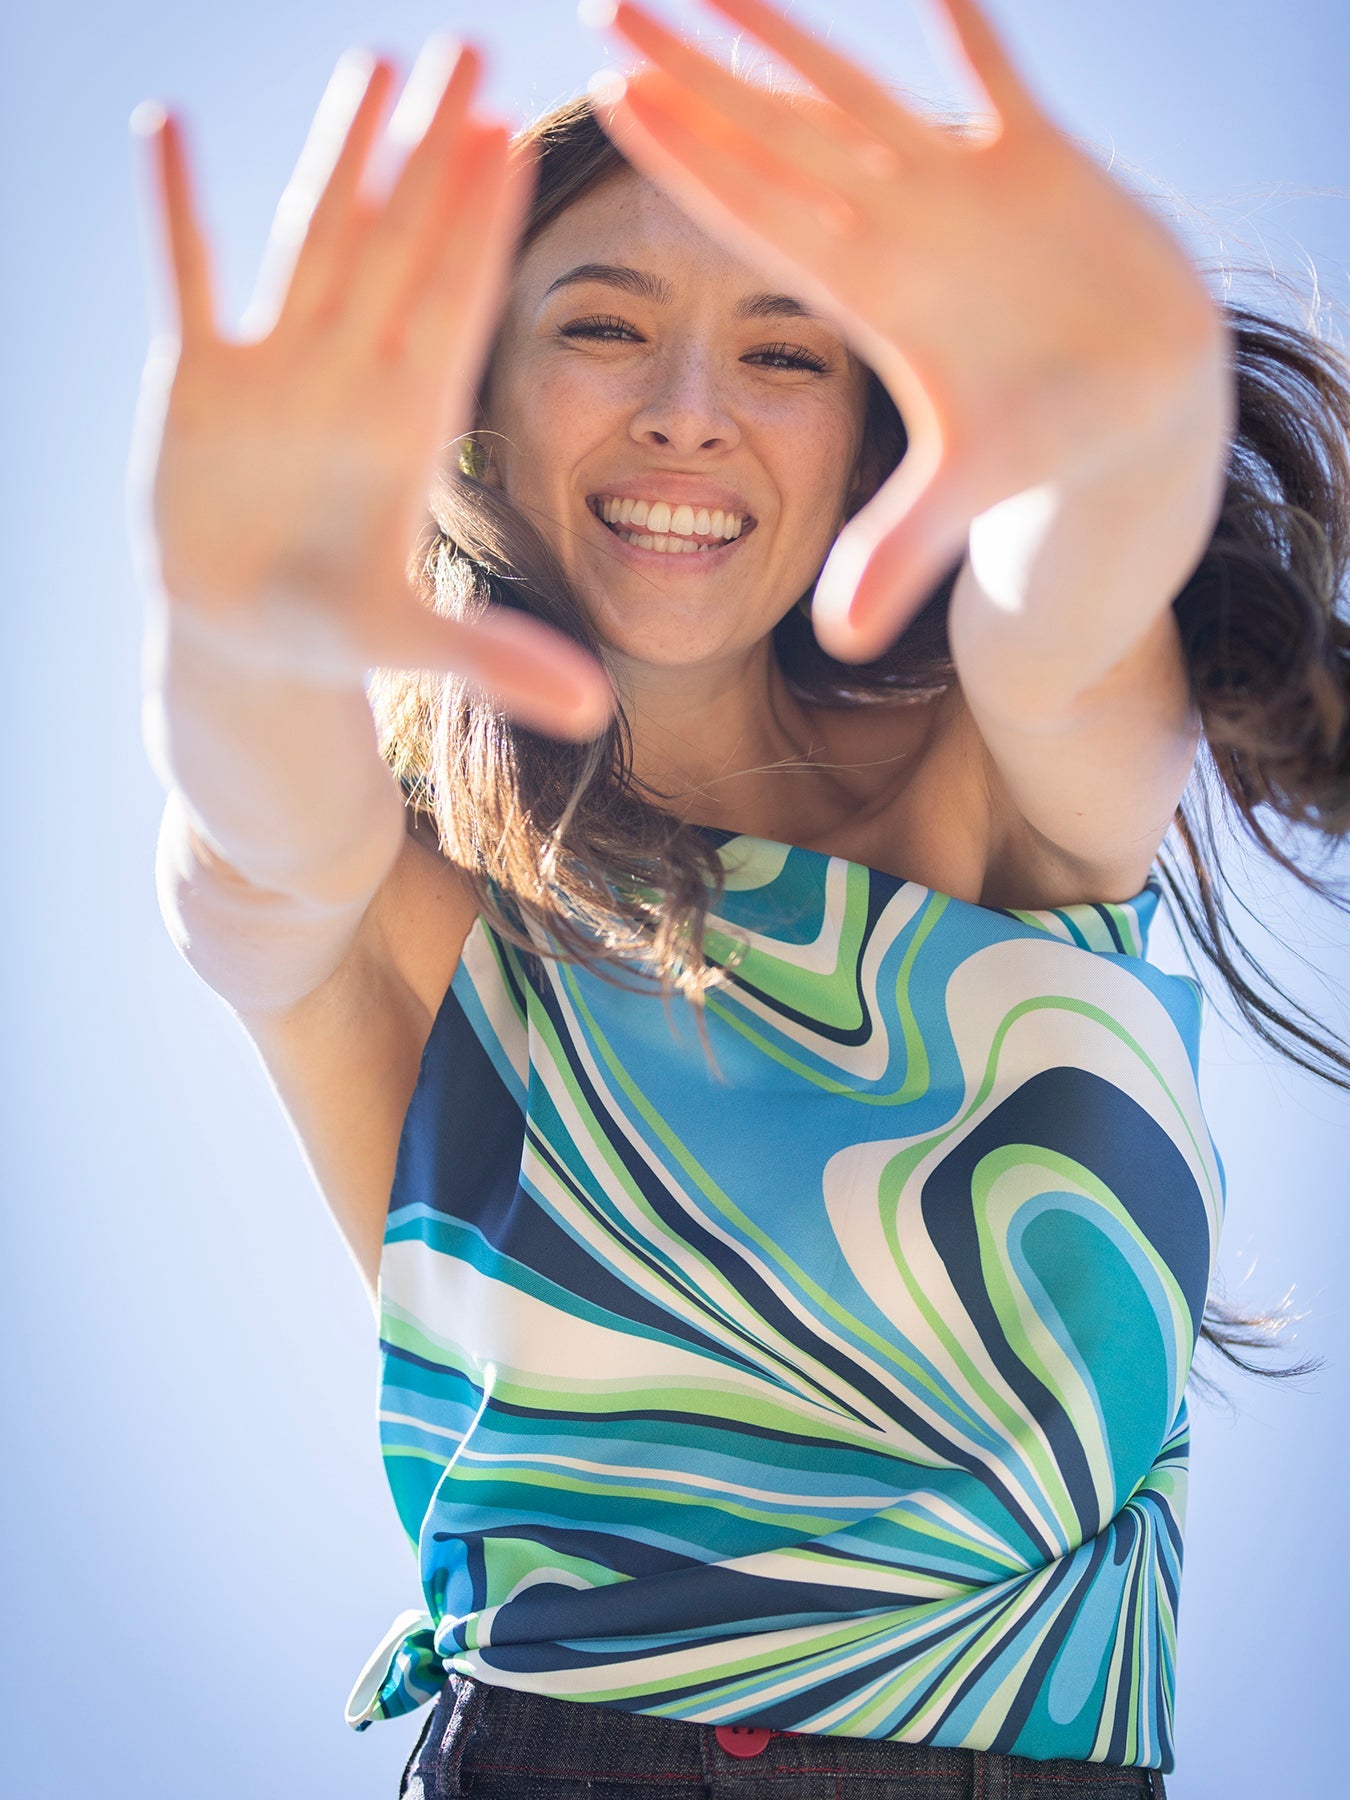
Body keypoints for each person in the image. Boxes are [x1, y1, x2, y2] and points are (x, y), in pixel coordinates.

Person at [128, 0, 1349, 1794]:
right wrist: (220, 636)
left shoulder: (995, 778)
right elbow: (247, 849)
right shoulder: (412, 906)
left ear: (877, 433)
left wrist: (1134, 423)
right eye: (604, 328)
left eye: (785, 356)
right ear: (466, 415)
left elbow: (1068, 594)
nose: (687, 415)